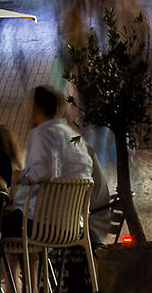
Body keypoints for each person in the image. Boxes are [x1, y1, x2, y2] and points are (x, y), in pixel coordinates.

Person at [12, 85, 96, 217]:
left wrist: (18, 176)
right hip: (73, 227)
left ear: (36, 108)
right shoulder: (75, 138)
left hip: (41, 224)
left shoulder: (44, 133)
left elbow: (45, 170)